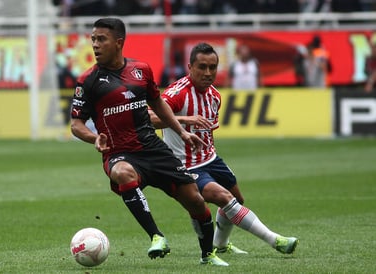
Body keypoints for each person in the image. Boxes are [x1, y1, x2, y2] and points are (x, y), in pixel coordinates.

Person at [70, 17, 228, 266]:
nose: (95, 45)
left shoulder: (141, 70)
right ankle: (156, 236)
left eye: (101, 39)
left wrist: (182, 131)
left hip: (152, 149)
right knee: (123, 173)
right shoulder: (88, 81)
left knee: (195, 200)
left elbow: (158, 104)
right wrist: (94, 138)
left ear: (118, 42)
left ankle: (208, 255)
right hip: (118, 152)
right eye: (93, 40)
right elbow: (76, 124)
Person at [149, 42, 299, 256]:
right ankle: (276, 241)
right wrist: (183, 118)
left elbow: (207, 133)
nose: (208, 73)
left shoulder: (215, 96)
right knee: (223, 197)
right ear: (190, 67)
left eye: (213, 67)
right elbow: (149, 117)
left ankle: (220, 244)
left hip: (210, 159)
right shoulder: (177, 93)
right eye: (202, 67)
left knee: (237, 200)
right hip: (185, 165)